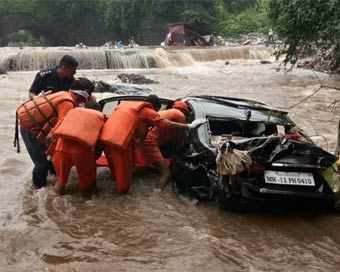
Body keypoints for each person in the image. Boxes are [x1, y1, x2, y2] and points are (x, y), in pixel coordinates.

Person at [99, 94, 206, 193]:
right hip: (143, 142)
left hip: (114, 141)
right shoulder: (176, 114)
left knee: (122, 172)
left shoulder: (133, 109)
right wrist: (190, 127)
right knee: (166, 173)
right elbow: (178, 136)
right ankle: (157, 194)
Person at [18, 78, 94, 188]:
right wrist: (51, 135)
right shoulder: (67, 102)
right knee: (42, 164)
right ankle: (37, 190)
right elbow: (61, 122)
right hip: (29, 129)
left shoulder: (65, 94)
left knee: (50, 158)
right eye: (89, 95)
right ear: (81, 94)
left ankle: (52, 181)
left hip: (35, 127)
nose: (88, 98)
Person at [135, 101, 192, 190]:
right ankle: (156, 196)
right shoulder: (179, 114)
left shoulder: (166, 113)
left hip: (143, 138)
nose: (186, 116)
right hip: (150, 140)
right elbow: (181, 137)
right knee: (166, 173)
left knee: (146, 167)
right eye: (186, 113)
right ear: (182, 110)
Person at [50, 102, 104, 195]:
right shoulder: (99, 119)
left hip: (61, 151)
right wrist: (96, 155)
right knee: (88, 184)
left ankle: (55, 199)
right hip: (82, 154)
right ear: (98, 111)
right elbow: (101, 141)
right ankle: (86, 206)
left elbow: (50, 135)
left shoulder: (71, 114)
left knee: (60, 182)